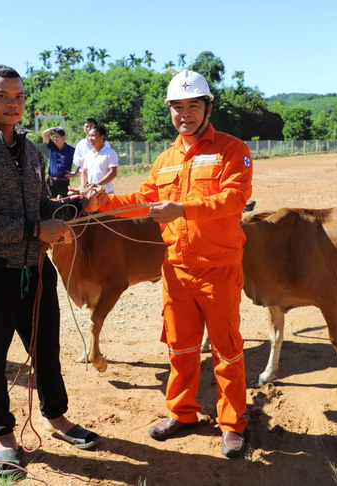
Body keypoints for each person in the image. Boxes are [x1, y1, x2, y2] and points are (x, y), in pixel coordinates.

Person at [0, 64, 102, 476]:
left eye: (18, 96)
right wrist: (38, 228)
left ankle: (57, 418)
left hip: (36, 272)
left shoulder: (32, 152)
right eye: (3, 96)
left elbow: (42, 208)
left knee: (45, 351)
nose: (13, 103)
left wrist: (79, 206)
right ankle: (3, 437)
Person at [92, 69, 252, 458]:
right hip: (176, 270)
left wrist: (182, 208)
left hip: (218, 268)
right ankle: (183, 413)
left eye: (193, 105)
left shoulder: (233, 150)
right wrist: (102, 202)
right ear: (170, 111)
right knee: (180, 348)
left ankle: (232, 423)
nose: (185, 114)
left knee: (227, 349)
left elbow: (233, 200)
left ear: (208, 107)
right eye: (177, 107)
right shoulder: (164, 160)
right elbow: (143, 199)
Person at [81, 125, 119, 193]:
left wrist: (98, 185)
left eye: (93, 136)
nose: (90, 138)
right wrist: (83, 187)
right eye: (89, 136)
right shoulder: (88, 155)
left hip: (106, 193)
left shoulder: (110, 153)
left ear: (102, 137)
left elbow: (113, 172)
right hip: (91, 194)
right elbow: (84, 172)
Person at [72, 118, 110, 186]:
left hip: (101, 176)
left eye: (91, 126)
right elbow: (75, 159)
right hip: (86, 176)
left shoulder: (105, 143)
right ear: (83, 128)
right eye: (86, 127)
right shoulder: (81, 144)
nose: (89, 129)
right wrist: (81, 159)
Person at [41, 127, 76, 198]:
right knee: (51, 203)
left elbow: (82, 162)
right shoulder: (52, 147)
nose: (54, 139)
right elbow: (44, 134)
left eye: (57, 137)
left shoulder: (71, 150)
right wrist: (57, 128)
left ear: (63, 137)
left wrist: (75, 174)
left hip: (64, 182)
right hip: (51, 182)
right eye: (53, 137)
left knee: (66, 203)